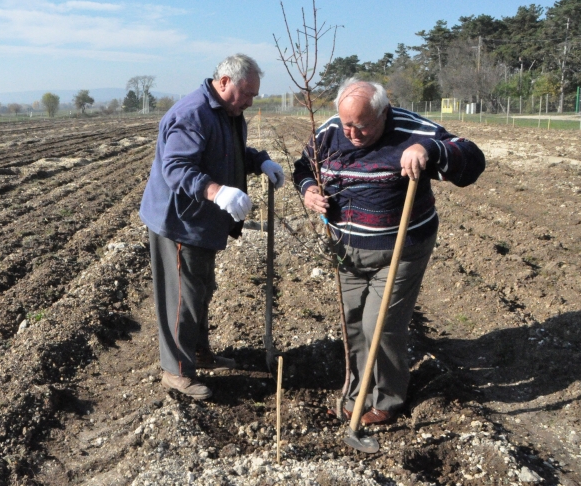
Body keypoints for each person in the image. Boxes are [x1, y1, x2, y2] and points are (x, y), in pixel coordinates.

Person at [293, 78, 485, 424]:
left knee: (378, 326)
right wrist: (308, 190)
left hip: (400, 248)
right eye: (346, 123)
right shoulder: (330, 131)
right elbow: (303, 167)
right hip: (345, 249)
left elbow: (472, 160)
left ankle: (388, 399)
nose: (350, 133)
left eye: (361, 126)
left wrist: (431, 151)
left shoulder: (414, 130)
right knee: (352, 323)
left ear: (384, 112)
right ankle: (356, 394)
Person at [139, 54, 286, 400]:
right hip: (179, 221)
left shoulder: (227, 112)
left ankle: (199, 351)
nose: (250, 102)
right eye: (246, 94)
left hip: (203, 222)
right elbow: (176, 167)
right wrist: (216, 191)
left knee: (202, 289)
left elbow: (227, 151)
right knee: (182, 299)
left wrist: (258, 160)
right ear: (224, 83)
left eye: (254, 96)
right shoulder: (192, 114)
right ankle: (176, 371)